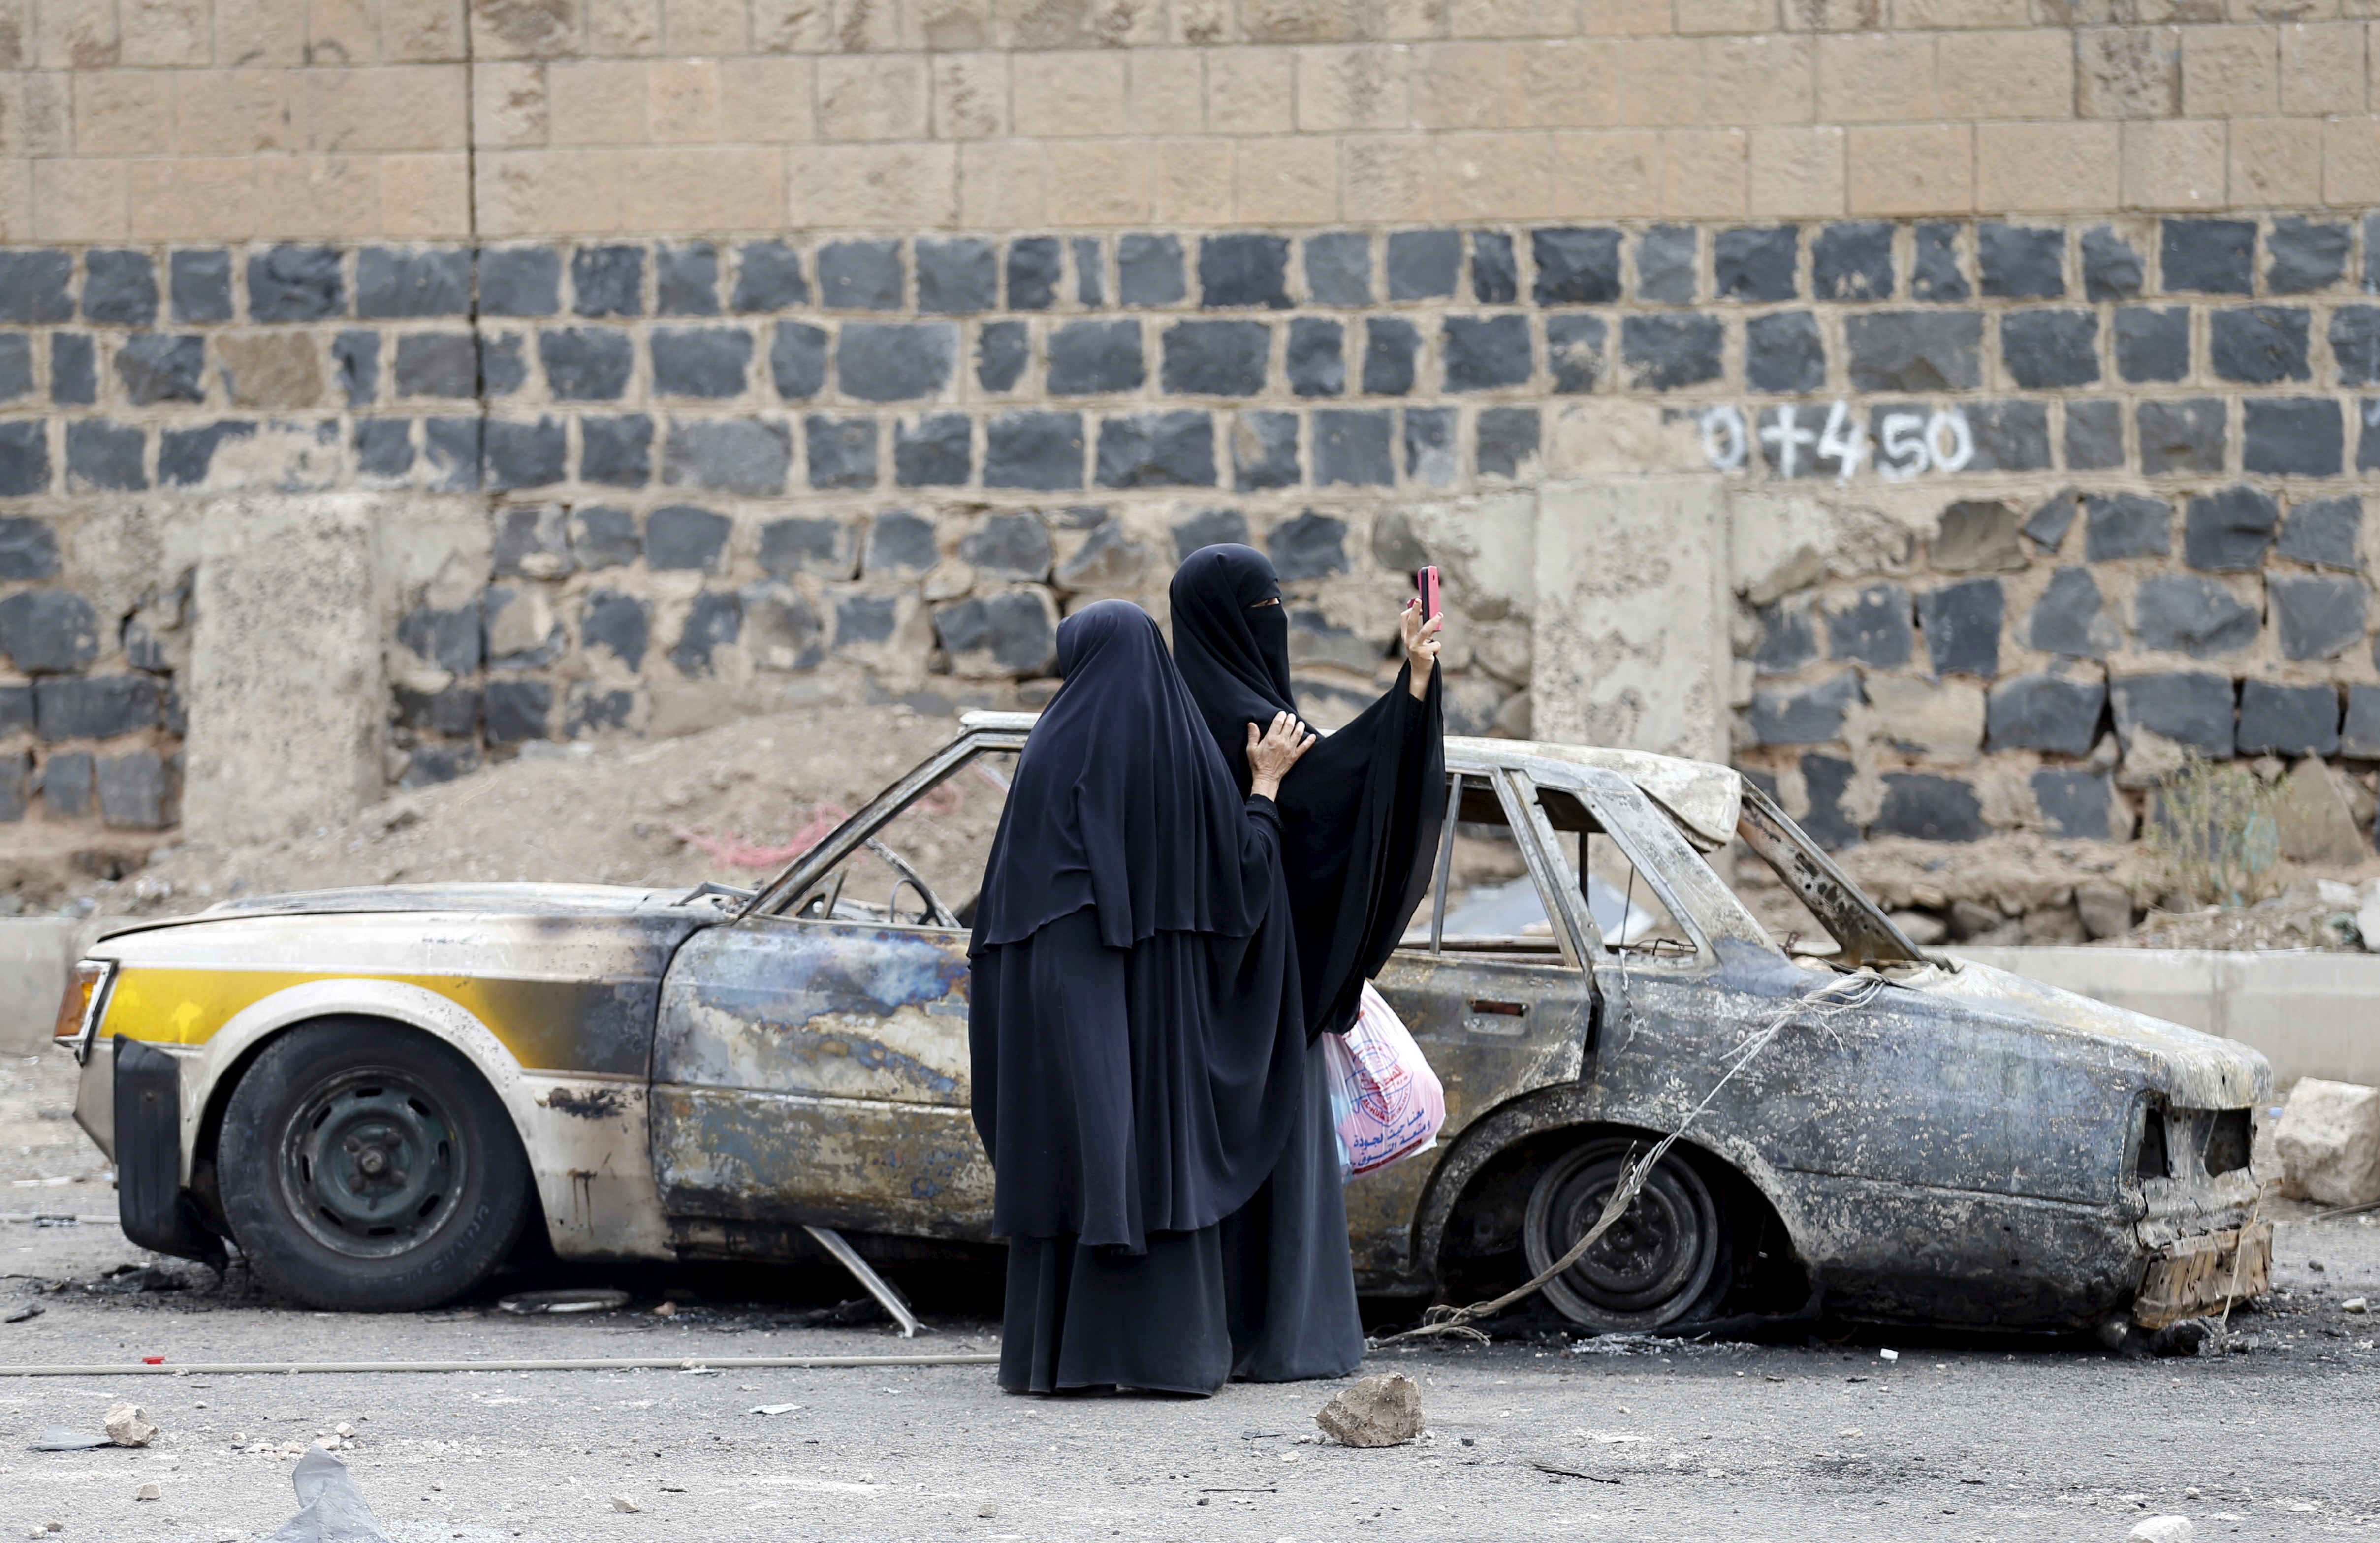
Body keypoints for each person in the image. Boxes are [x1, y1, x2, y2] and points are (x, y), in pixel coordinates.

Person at [967, 598, 1319, 1396]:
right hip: (1156, 1006)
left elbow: (999, 917)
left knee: (1074, 1150)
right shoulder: (1185, 751)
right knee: (1153, 1146)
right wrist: (1264, 788)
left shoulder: (1049, 750)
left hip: (1055, 1000)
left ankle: (1056, 1361)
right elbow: (1244, 883)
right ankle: (1165, 1357)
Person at [1168, 544, 1447, 1382]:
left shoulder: (1175, 715)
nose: (1276, 623)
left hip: (1194, 998)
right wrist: (1411, 690)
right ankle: (1286, 1337)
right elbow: (1347, 794)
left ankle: (1220, 1336)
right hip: (1259, 994)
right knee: (1275, 1162)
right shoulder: (1249, 726)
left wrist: (1415, 684)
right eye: (1263, 608)